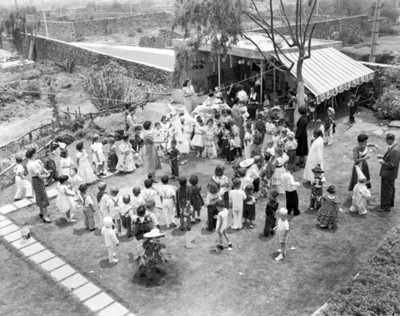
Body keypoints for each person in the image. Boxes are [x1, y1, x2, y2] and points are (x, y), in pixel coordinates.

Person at [26, 148, 51, 223]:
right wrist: (48, 175)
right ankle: (45, 217)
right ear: (33, 154)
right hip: (37, 180)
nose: (37, 153)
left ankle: (42, 213)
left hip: (35, 180)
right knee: (44, 198)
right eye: (36, 153)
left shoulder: (32, 162)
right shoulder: (32, 164)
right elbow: (40, 176)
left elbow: (41, 170)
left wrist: (43, 167)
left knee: (39, 197)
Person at [378, 133, 400, 212]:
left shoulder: (395, 150)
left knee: (386, 190)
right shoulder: (394, 147)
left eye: (386, 140)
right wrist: (383, 157)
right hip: (391, 174)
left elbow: (392, 165)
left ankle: (385, 206)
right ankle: (390, 203)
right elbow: (390, 158)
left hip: (389, 173)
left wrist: (383, 162)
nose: (385, 141)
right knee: (390, 189)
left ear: (390, 140)